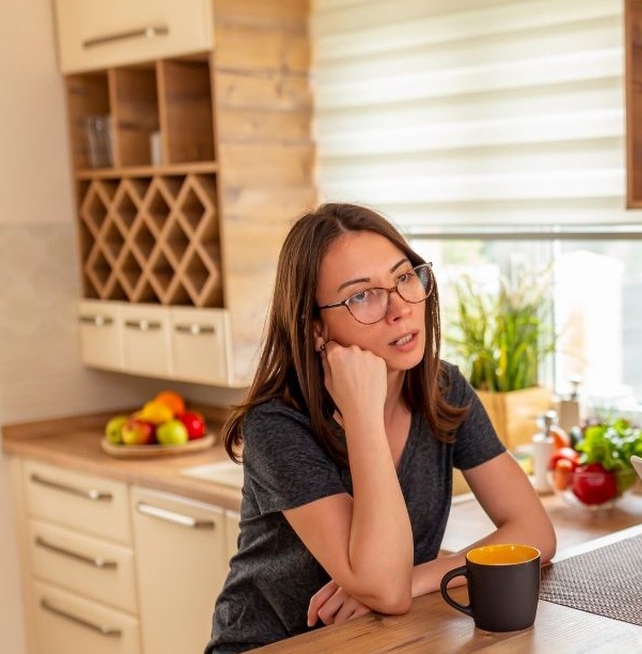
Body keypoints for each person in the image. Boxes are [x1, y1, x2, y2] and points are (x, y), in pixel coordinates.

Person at [207, 203, 556, 653]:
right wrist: (363, 415)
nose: (399, 309)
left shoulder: (442, 388)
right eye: (361, 295)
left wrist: (416, 578)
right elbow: (383, 590)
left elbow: (535, 534)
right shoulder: (277, 425)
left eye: (403, 277)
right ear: (316, 328)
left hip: (383, 641)